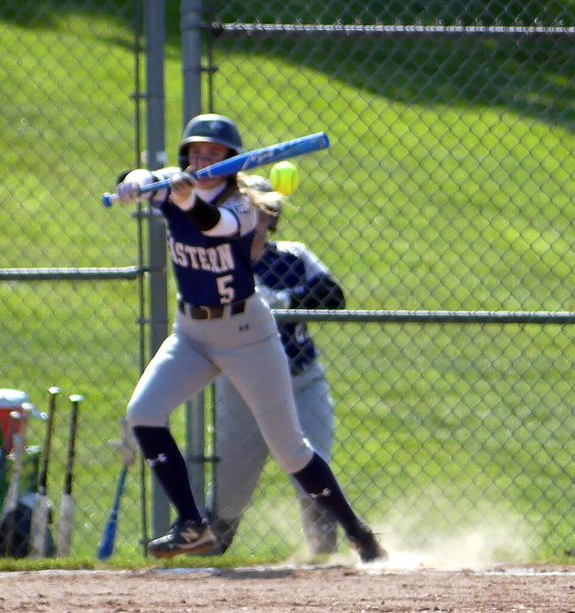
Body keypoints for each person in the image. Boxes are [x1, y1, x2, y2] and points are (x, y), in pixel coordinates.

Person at [113, 114, 384, 562]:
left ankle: (360, 534)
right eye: (196, 152)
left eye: (213, 154)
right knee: (143, 413)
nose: (202, 159)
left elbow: (211, 224)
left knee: (290, 449)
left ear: (231, 162)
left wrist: (183, 198)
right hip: (193, 333)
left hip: (246, 335)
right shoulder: (172, 185)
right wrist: (137, 180)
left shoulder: (243, 206)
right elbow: (139, 177)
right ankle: (191, 526)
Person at [209, 175, 343, 558]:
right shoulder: (219, 261)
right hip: (243, 390)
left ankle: (323, 560)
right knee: (230, 489)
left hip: (303, 381)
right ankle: (204, 564)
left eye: (265, 211)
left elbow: (332, 295)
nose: (259, 218)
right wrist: (291, 302)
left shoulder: (293, 256)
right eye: (249, 210)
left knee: (315, 475)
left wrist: (284, 300)